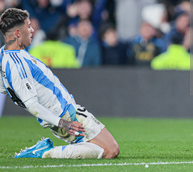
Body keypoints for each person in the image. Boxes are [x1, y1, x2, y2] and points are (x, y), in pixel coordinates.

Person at [0, 8, 119, 159]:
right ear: (17, 33)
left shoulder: (4, 54)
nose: (32, 30)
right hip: (65, 115)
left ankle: (49, 151)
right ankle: (44, 152)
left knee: (102, 149)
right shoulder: (17, 63)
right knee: (111, 150)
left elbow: (5, 87)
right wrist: (63, 123)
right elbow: (32, 105)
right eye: (28, 26)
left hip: (63, 113)